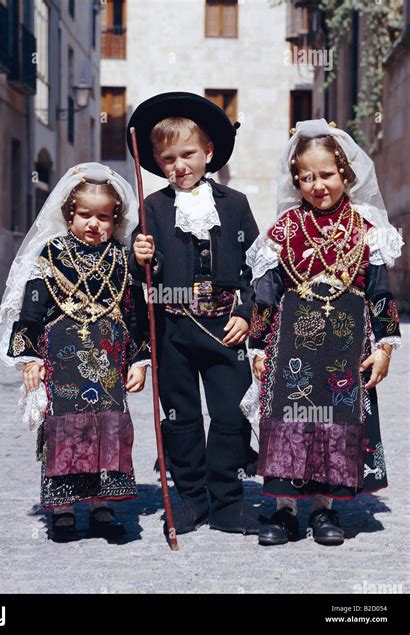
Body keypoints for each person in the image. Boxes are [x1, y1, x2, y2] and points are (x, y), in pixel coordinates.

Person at [241, 119, 403, 546]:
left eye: (327, 174)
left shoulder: (367, 230)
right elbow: (266, 293)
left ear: (345, 173)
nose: (318, 185)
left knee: (334, 421)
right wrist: (257, 345)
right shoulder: (283, 231)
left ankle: (324, 509)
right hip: (291, 344)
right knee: (291, 419)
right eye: (307, 176)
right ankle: (284, 509)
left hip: (346, 346)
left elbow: (381, 293)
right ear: (296, 179)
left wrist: (385, 348)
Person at [127, 92, 260, 535]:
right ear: (158, 163)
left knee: (229, 414)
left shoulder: (236, 203)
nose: (179, 165)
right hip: (173, 330)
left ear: (208, 153)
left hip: (226, 329)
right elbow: (143, 272)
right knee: (180, 417)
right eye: (168, 158)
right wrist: (140, 253)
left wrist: (245, 311)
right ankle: (190, 498)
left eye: (188, 154)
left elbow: (256, 265)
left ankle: (227, 500)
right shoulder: (153, 208)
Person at [0, 163, 150, 542]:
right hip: (63, 359)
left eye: (103, 216)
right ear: (69, 214)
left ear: (115, 218)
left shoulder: (120, 257)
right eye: (85, 215)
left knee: (107, 426)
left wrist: (139, 360)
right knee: (66, 428)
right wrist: (29, 357)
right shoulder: (50, 253)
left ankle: (101, 504)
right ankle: (63, 507)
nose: (94, 223)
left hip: (108, 360)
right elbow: (32, 308)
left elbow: (134, 311)